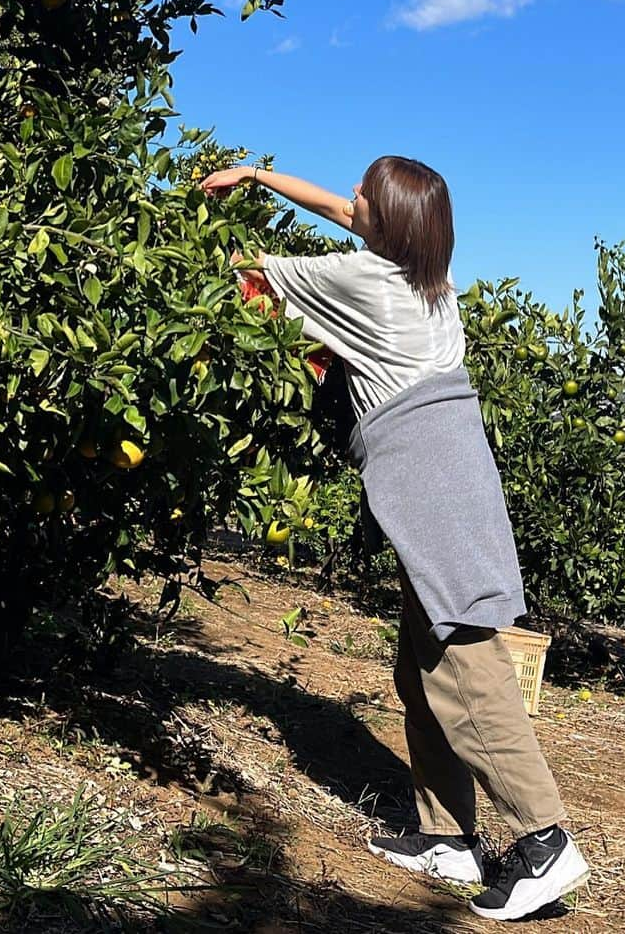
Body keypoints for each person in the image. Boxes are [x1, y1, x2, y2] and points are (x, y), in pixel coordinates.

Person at [200, 156, 590, 922]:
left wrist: (194, 218)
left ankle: (546, 841)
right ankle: (448, 835)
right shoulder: (427, 283)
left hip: (428, 483)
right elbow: (340, 214)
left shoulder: (364, 283)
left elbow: (247, 270)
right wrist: (256, 176)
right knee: (422, 663)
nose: (348, 201)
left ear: (389, 225)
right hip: (452, 473)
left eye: (362, 200)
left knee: (461, 666)